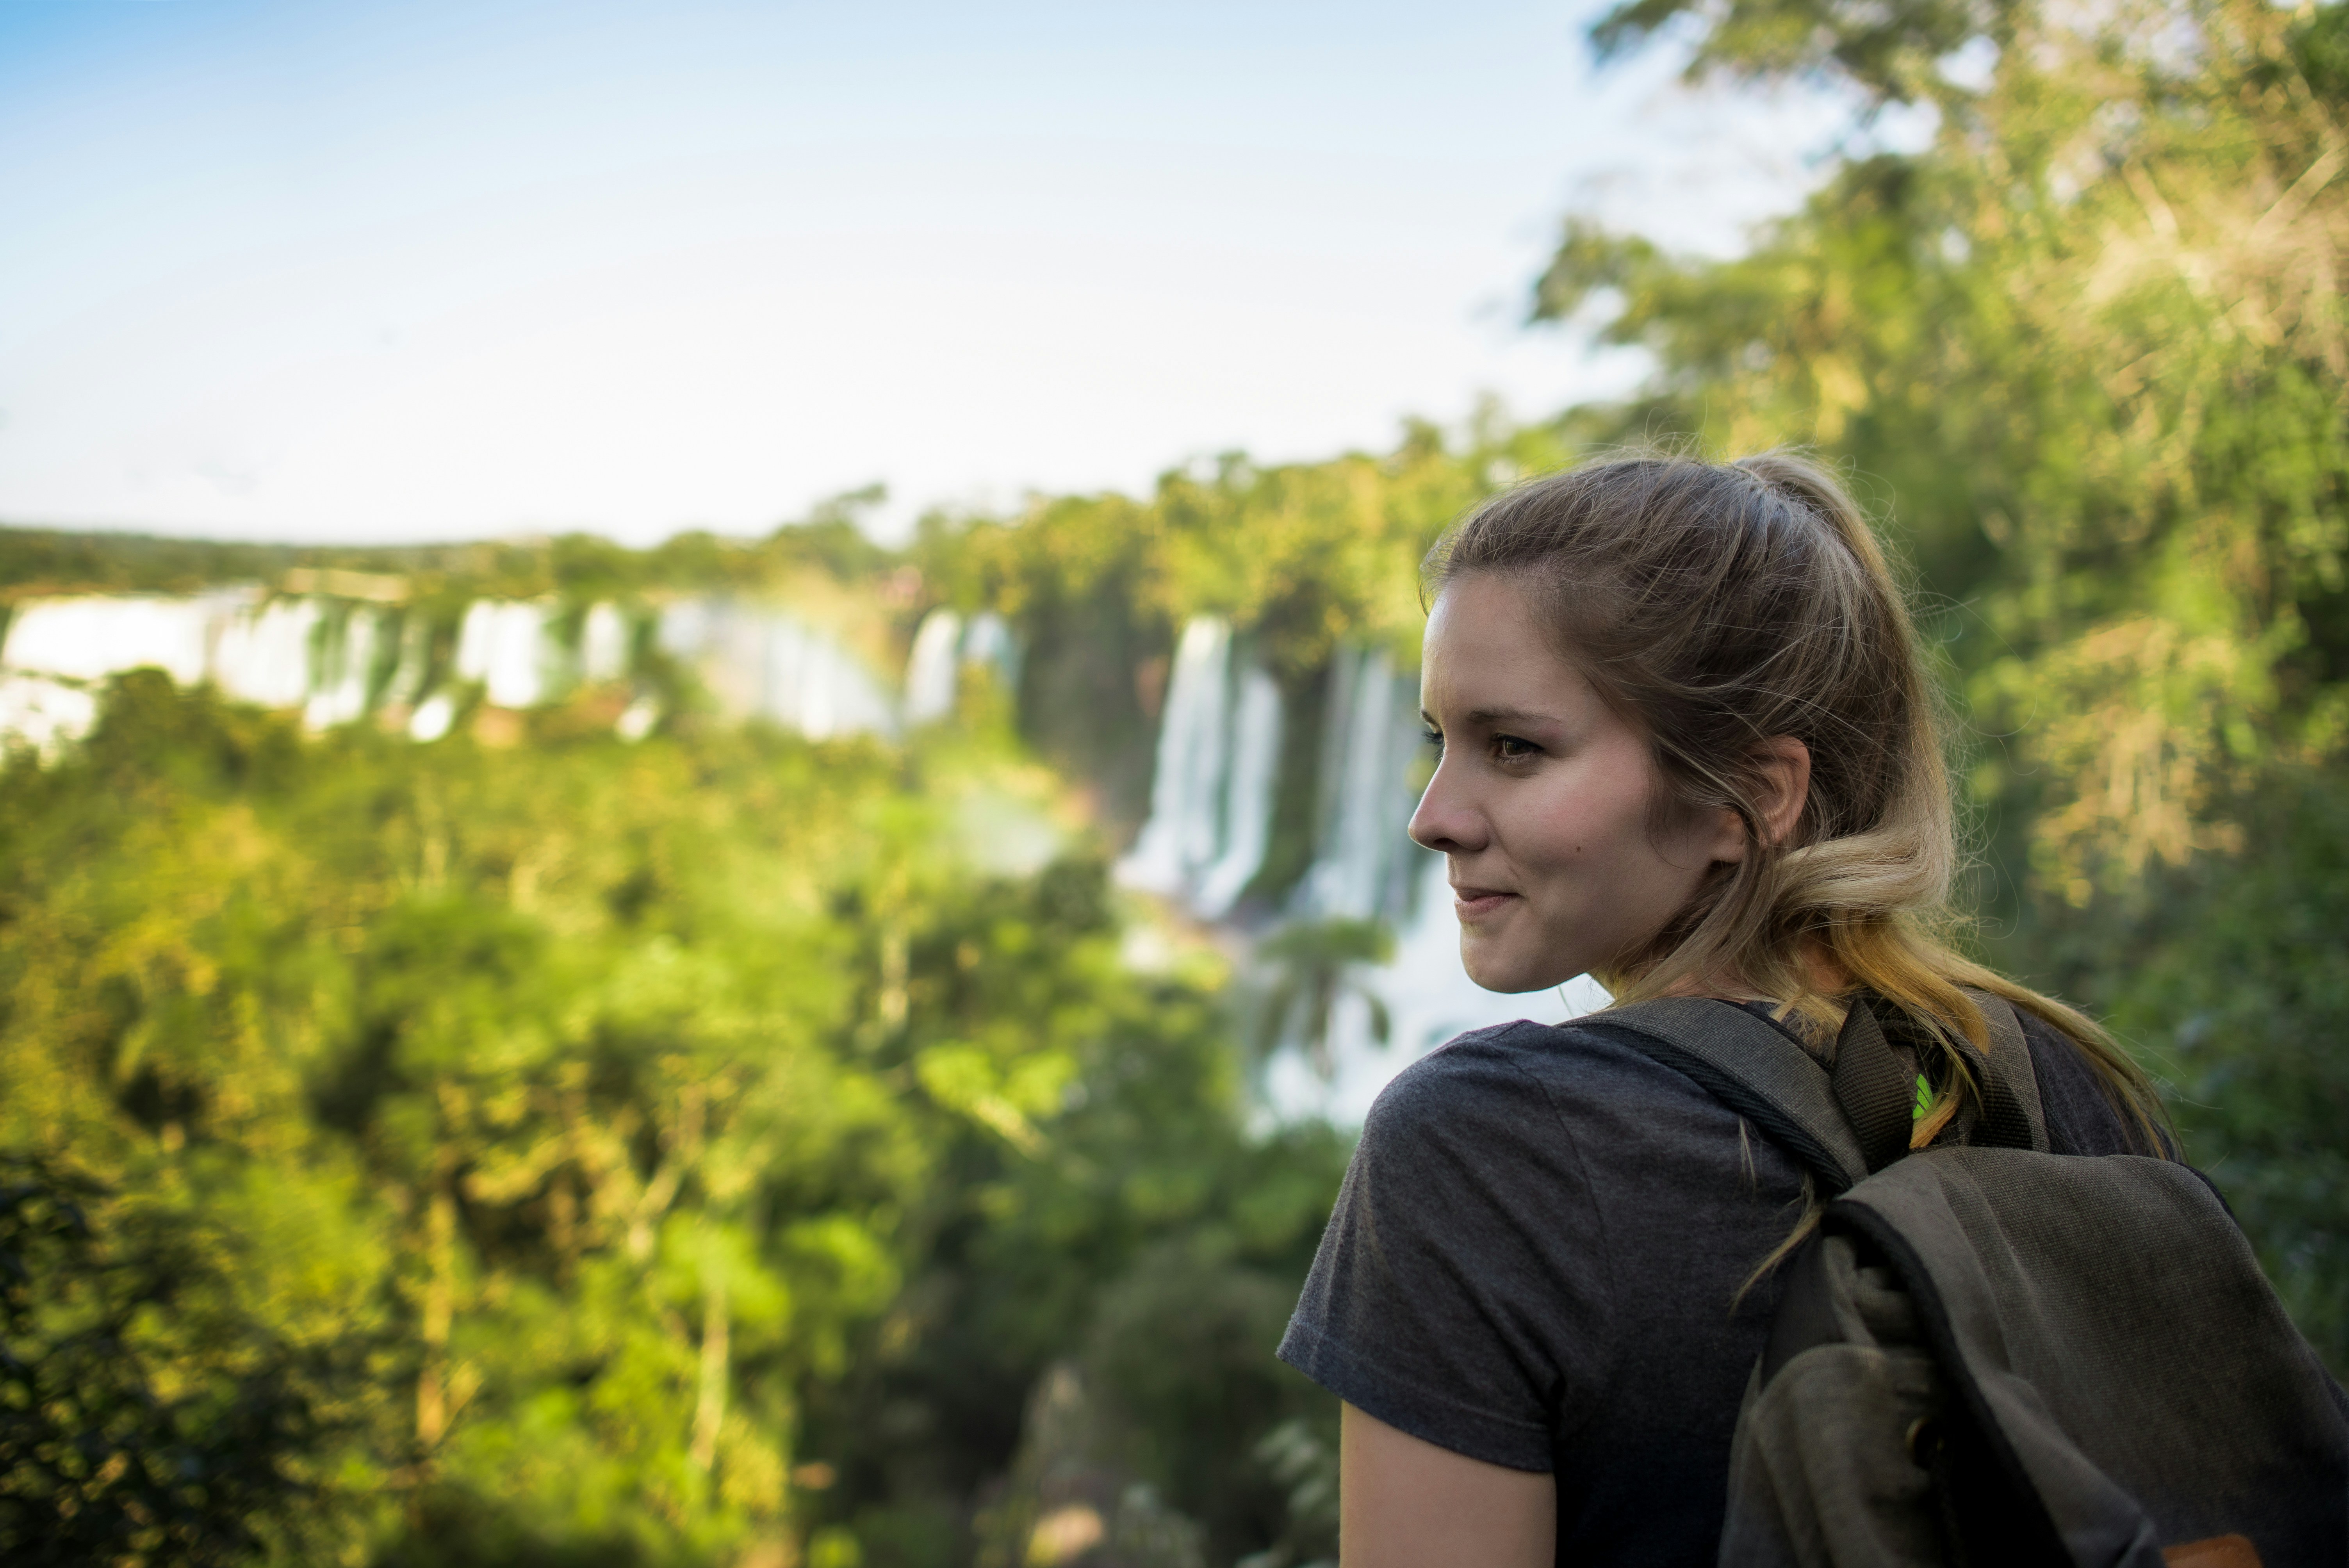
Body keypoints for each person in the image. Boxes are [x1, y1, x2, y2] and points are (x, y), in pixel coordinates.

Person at [1274, 451, 2173, 1567]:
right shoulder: (2060, 1079)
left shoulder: (1489, 1154)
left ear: (1748, 798)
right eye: (1438, 741)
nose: (1433, 816)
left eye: (1515, 747)